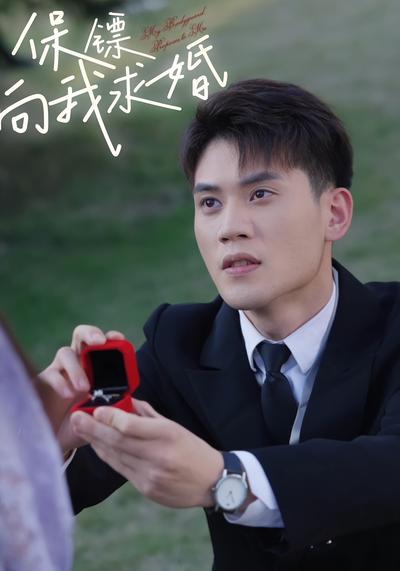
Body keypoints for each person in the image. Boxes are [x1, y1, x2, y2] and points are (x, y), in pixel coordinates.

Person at [40, 78, 400, 571]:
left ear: (333, 213)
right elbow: (39, 507)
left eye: (260, 194)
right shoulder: (181, 345)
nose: (229, 227)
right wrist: (46, 437)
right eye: (210, 203)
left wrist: (224, 480)